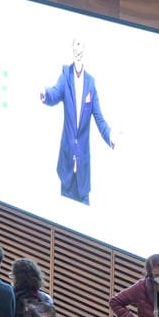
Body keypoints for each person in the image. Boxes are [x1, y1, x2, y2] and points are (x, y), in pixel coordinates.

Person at [40, 39, 114, 205]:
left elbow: (99, 118)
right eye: (76, 51)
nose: (78, 54)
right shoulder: (65, 75)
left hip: (83, 174)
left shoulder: (91, 83)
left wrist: (111, 136)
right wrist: (44, 93)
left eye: (81, 51)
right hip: (66, 168)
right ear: (72, 51)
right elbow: (54, 94)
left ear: (85, 52)